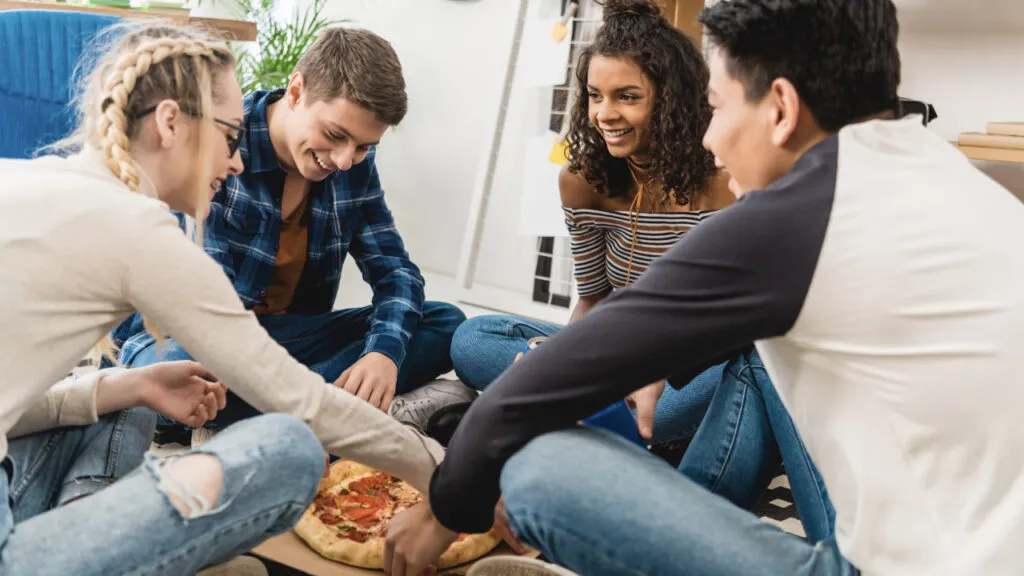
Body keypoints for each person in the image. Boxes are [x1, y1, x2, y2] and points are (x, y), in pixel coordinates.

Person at [384, 0, 1024, 575]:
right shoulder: (956, 177)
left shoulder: (798, 217)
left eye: (716, 108)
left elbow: (526, 396)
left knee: (534, 467)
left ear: (780, 108)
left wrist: (444, 511)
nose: (711, 138)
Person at [0, 22, 442, 574]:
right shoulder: (137, 229)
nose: (235, 162)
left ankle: (87, 515)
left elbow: (11, 407)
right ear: (169, 124)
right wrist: (452, 484)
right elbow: (299, 401)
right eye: (231, 137)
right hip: (232, 353)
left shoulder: (24, 176)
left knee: (124, 397)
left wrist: (127, 385)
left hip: (269, 346)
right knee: (288, 446)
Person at [112, 26, 472, 434]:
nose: (343, 159)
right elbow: (209, 306)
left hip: (291, 341)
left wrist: (383, 357)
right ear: (296, 90)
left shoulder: (353, 167)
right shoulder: (224, 140)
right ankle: (338, 414)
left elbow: (396, 272)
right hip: (205, 335)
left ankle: (283, 419)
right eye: (335, 135)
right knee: (168, 373)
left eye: (363, 146)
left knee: (443, 323)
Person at [450, 0, 736, 447]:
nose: (604, 114)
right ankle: (598, 421)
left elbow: (725, 323)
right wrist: (569, 362)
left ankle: (570, 416)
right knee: (471, 338)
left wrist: (644, 365)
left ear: (672, 100)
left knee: (670, 410)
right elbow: (593, 300)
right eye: (595, 96)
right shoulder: (583, 182)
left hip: (688, 361)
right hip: (611, 350)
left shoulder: (721, 184)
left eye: (627, 96)